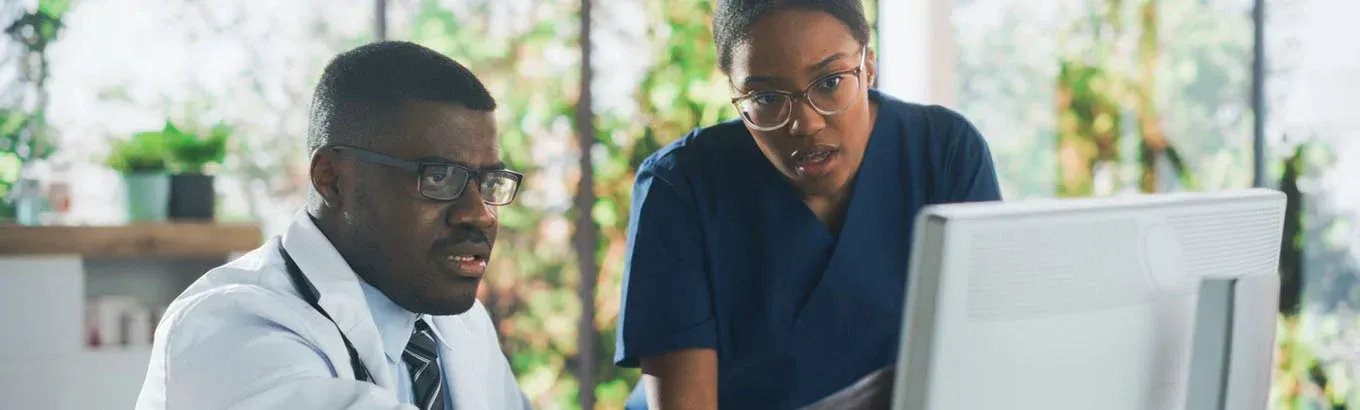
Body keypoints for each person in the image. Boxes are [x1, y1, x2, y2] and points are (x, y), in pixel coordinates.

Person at [613, 0, 1003, 408]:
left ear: (868, 65)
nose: (805, 123)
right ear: (734, 91)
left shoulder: (945, 154)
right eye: (765, 98)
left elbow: (987, 359)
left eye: (830, 82)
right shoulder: (678, 186)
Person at [135, 41, 530, 410]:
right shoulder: (229, 326)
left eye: (489, 182)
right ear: (332, 179)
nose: (480, 214)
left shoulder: (461, 324)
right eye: (439, 178)